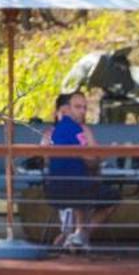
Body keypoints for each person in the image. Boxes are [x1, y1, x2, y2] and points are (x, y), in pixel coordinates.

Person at [43, 90, 119, 250]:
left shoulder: (49, 133)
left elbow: (46, 159)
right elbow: (92, 160)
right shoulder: (81, 130)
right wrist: (99, 156)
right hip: (77, 190)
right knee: (112, 196)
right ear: (66, 110)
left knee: (83, 189)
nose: (83, 111)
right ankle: (80, 235)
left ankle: (71, 235)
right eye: (78, 107)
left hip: (53, 190)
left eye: (84, 107)